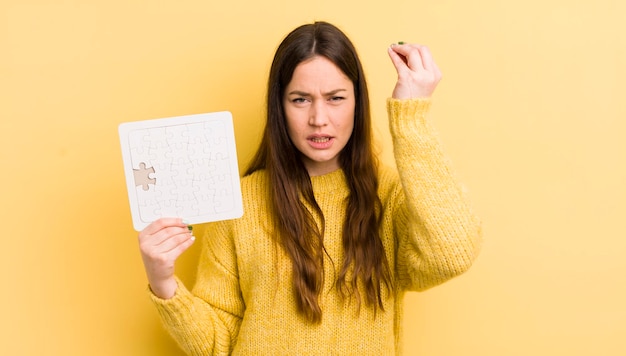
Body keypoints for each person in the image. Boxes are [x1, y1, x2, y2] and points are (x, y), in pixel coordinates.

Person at [138, 21, 482, 355]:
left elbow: (451, 255)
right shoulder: (240, 203)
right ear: (280, 107)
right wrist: (163, 282)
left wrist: (411, 116)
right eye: (300, 100)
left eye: (335, 98)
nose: (319, 118)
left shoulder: (387, 196)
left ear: (358, 103)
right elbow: (219, 344)